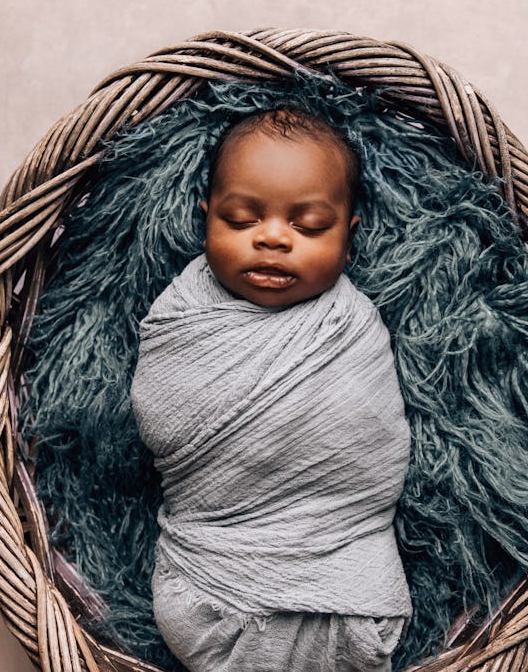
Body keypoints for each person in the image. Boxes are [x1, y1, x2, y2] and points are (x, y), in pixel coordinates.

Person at [130, 108, 412, 671]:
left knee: (355, 622)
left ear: (349, 238)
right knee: (190, 610)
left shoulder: (350, 326)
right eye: (239, 220)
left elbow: (369, 444)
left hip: (339, 550)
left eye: (308, 226)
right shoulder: (183, 315)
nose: (273, 238)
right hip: (210, 559)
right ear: (205, 218)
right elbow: (160, 411)